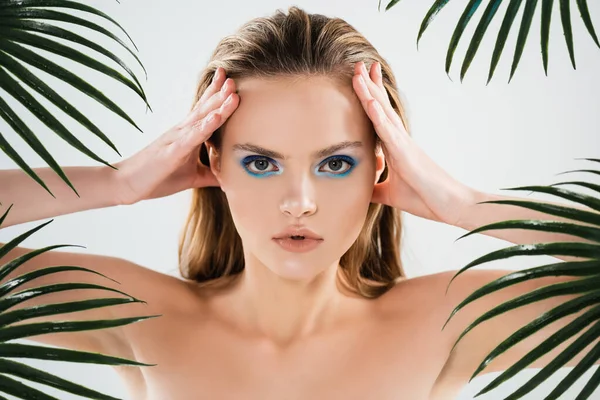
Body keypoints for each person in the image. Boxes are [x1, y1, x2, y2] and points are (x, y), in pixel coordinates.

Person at [0, 6, 596, 400]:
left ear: (381, 164)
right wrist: (117, 183)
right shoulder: (133, 311)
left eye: (336, 163)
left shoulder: (448, 318)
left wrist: (461, 204)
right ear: (211, 163)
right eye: (261, 162)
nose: (299, 202)